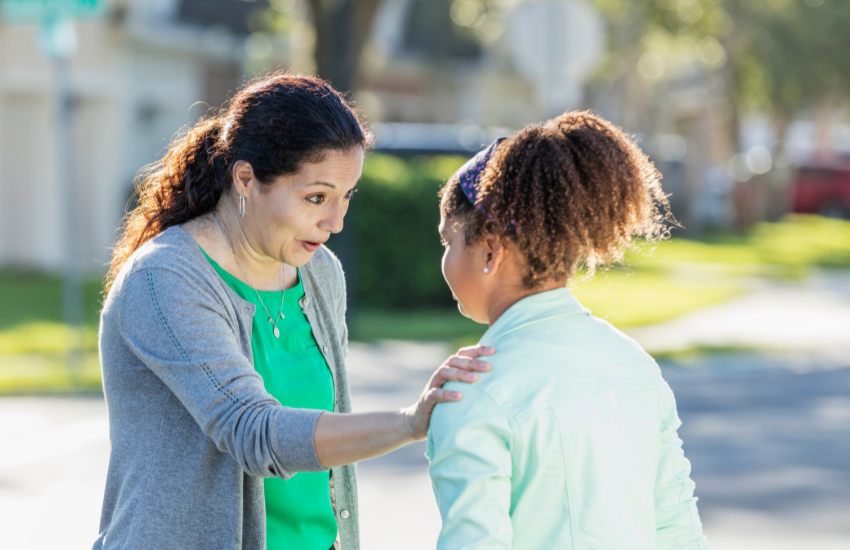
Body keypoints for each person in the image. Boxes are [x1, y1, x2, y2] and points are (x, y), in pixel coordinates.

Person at [94, 73, 492, 550]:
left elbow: (322, 458)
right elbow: (254, 433)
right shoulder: (165, 279)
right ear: (246, 179)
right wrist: (409, 422)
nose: (335, 222)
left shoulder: (320, 272)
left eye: (347, 196)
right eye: (316, 197)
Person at [427, 111, 709, 549]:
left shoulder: (471, 390)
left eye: (448, 241)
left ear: (490, 250)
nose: (444, 258)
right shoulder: (635, 366)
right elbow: (679, 532)